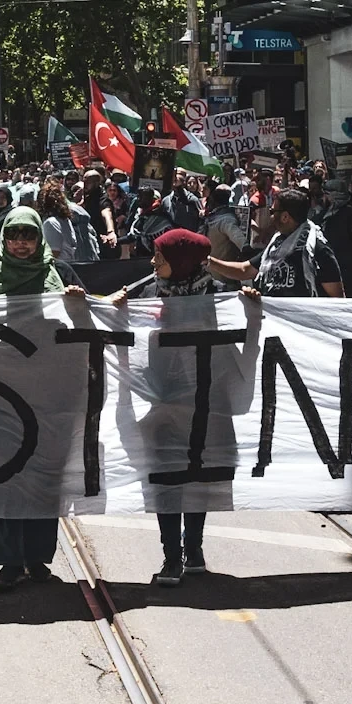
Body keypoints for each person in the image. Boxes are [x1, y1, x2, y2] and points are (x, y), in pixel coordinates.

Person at [0, 206, 86, 589]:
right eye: (13, 235)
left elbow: (85, 327)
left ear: (39, 240)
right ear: (3, 238)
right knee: (3, 480)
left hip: (49, 395)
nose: (20, 243)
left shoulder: (60, 275)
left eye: (28, 236)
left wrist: (78, 303)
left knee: (44, 478)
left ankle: (37, 557)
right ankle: (9, 562)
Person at [106, 229, 222, 585]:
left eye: (160, 256)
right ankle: (172, 557)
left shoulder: (217, 297)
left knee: (196, 478)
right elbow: (124, 324)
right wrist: (116, 307)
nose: (153, 262)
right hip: (160, 402)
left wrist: (251, 304)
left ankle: (194, 550)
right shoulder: (150, 290)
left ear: (181, 262)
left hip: (201, 402)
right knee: (165, 480)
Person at [209, 190, 346, 297]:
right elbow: (245, 270)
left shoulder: (317, 250)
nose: (270, 216)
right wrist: (208, 261)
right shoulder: (276, 244)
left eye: (272, 211)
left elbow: (337, 300)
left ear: (285, 217)